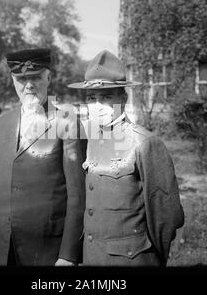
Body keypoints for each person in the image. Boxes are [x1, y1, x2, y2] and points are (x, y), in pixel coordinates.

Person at [68, 50, 184, 266]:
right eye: (91, 98)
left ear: (123, 97)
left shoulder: (145, 143)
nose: (98, 106)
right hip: (92, 256)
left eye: (106, 97)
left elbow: (166, 216)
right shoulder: (89, 139)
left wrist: (154, 259)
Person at [0, 48, 86, 266]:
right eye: (21, 79)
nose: (28, 85)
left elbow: (77, 196)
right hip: (1, 245)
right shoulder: (0, 124)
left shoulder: (67, 122)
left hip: (46, 247)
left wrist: (68, 254)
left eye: (35, 77)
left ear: (49, 78)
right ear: (12, 80)